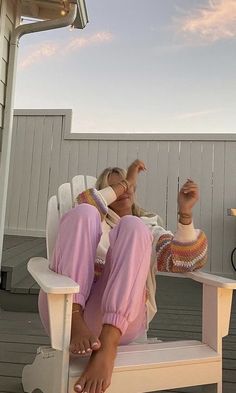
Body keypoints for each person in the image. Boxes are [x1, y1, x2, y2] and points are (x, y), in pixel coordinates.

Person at [38, 159, 208, 393]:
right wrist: (126, 182)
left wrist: (185, 215)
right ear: (106, 193)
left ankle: (107, 346)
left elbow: (185, 260)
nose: (124, 189)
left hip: (117, 321)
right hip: (63, 311)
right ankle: (75, 317)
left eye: (127, 186)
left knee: (133, 226)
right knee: (85, 211)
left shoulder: (148, 227)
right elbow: (82, 205)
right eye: (116, 186)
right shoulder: (92, 216)